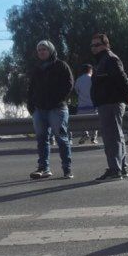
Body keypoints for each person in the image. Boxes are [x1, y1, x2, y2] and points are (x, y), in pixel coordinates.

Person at [26, 40, 74, 179]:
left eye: (44, 49)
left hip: (57, 109)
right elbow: (31, 89)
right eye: (39, 50)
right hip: (39, 109)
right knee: (41, 139)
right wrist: (31, 106)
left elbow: (69, 84)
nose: (41, 52)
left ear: (51, 50)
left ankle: (67, 169)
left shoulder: (61, 65)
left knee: (61, 138)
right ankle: (43, 168)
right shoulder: (37, 69)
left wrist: (57, 99)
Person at [90, 33, 128, 181]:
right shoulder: (102, 60)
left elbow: (122, 79)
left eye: (96, 45)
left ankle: (115, 170)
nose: (93, 48)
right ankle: (121, 167)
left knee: (111, 138)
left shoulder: (110, 59)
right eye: (92, 45)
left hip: (111, 102)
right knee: (116, 136)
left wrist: (127, 97)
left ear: (105, 45)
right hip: (106, 103)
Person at [74, 64, 97, 144]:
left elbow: (77, 91)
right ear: (90, 70)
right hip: (93, 104)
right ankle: (93, 137)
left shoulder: (78, 80)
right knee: (95, 121)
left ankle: (85, 134)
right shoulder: (93, 79)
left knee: (82, 121)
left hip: (82, 105)